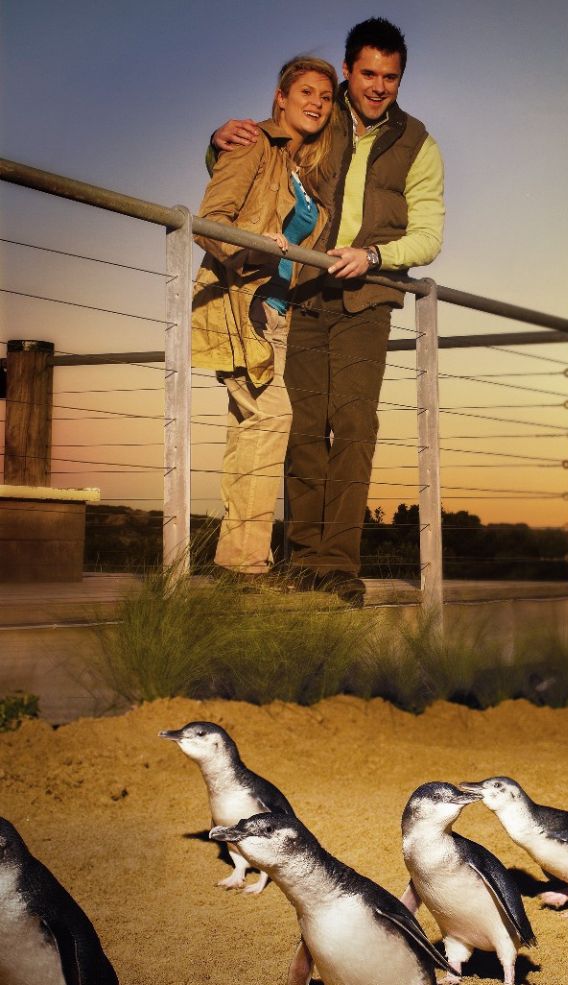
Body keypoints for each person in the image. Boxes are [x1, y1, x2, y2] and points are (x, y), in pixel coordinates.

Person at [212, 17, 445, 606]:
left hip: (368, 299)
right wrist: (216, 143)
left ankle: (337, 562)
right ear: (348, 70)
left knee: (356, 425)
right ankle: (302, 558)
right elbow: (259, 165)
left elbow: (429, 236)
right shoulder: (318, 110)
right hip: (301, 295)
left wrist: (372, 255)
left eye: (389, 77)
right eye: (367, 73)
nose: (377, 86)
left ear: (400, 78)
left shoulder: (418, 142)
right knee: (304, 427)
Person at [193, 56, 337, 583]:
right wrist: (256, 248)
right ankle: (247, 565)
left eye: (325, 95)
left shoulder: (305, 176)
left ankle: (235, 563)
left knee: (250, 431)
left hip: (279, 318)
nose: (317, 101)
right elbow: (209, 224)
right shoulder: (254, 143)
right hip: (239, 304)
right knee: (271, 419)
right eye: (305, 91)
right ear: (281, 97)